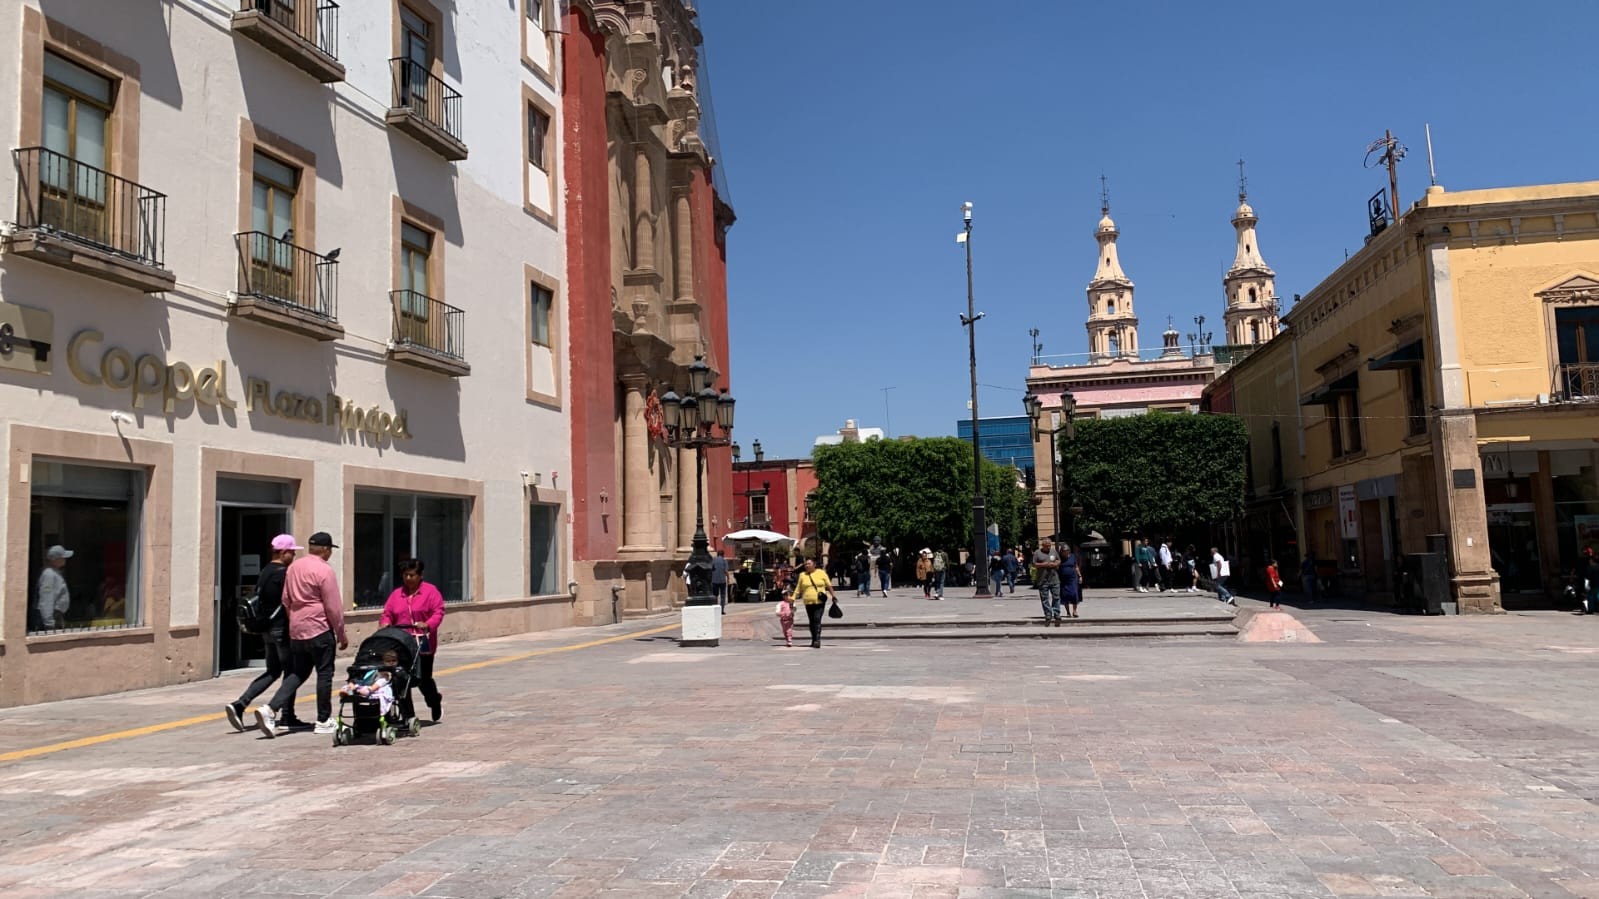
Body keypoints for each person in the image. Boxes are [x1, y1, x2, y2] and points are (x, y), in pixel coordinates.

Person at [256, 531, 347, 738]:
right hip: (319, 628)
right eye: (330, 550)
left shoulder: (293, 568)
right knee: (324, 673)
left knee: (297, 673)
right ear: (325, 550)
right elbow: (333, 607)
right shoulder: (325, 570)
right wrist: (341, 633)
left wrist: (295, 623)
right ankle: (324, 720)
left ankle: (271, 709)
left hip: (297, 629)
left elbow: (286, 600)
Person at [226, 534, 308, 733]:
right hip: (281, 628)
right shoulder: (283, 573)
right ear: (282, 552)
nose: (294, 556)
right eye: (291, 552)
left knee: (273, 670)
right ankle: (287, 716)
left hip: (267, 629)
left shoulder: (266, 571)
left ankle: (240, 704)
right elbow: (289, 601)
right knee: (292, 672)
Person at [379, 558, 446, 722]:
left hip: (423, 642)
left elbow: (438, 612)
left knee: (423, 679)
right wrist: (385, 623)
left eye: (412, 575)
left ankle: (434, 701)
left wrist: (428, 625)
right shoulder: (397, 594)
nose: (408, 578)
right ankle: (408, 715)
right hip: (401, 643)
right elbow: (387, 613)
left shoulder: (431, 592)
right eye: (405, 575)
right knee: (402, 678)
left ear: (420, 575)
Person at [790, 557, 831, 648]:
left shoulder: (821, 573)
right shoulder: (802, 575)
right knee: (811, 621)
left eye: (809, 563)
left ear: (814, 565)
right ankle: (813, 639)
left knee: (817, 619)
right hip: (808, 602)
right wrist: (793, 598)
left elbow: (829, 585)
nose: (807, 565)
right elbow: (798, 588)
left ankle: (817, 640)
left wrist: (834, 596)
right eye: (806, 564)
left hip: (819, 601)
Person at [342, 650, 397, 716]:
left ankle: (369, 690)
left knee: (383, 679)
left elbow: (386, 680)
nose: (391, 663)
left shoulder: (392, 672)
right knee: (354, 680)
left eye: (393, 661)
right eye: (388, 661)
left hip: (377, 686)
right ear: (383, 662)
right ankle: (349, 689)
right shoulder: (377, 668)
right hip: (367, 683)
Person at [35, 544, 73, 631]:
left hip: (57, 615)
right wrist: (49, 623)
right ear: (55, 559)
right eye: (62, 557)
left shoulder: (55, 572)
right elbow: (46, 598)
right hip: (53, 617)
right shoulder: (49, 574)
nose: (65, 559)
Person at [1033, 536, 1062, 624]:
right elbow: (1034, 564)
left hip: (1054, 578)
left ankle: (1057, 613)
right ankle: (1048, 613)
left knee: (1056, 597)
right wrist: (1044, 564)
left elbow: (1058, 560)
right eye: (1047, 546)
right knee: (1044, 598)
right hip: (1043, 579)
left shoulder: (1053, 551)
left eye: (1049, 545)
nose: (1049, 547)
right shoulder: (1037, 553)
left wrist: (1055, 563)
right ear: (1043, 545)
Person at [1061, 542, 1084, 619]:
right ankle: (1068, 612)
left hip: (1073, 578)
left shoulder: (1073, 556)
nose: (1066, 553)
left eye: (1067, 551)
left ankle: (1074, 611)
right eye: (1064, 551)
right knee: (1065, 595)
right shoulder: (1060, 558)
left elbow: (1076, 566)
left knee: (1074, 594)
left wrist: (1080, 576)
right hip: (1063, 579)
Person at [711, 549, 729, 614]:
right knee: (723, 596)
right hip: (722, 581)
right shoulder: (724, 561)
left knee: (715, 595)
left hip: (714, 580)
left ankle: (715, 609)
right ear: (723, 554)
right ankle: (721, 610)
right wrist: (728, 578)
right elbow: (726, 571)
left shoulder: (713, 560)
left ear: (717, 554)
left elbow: (711, 568)